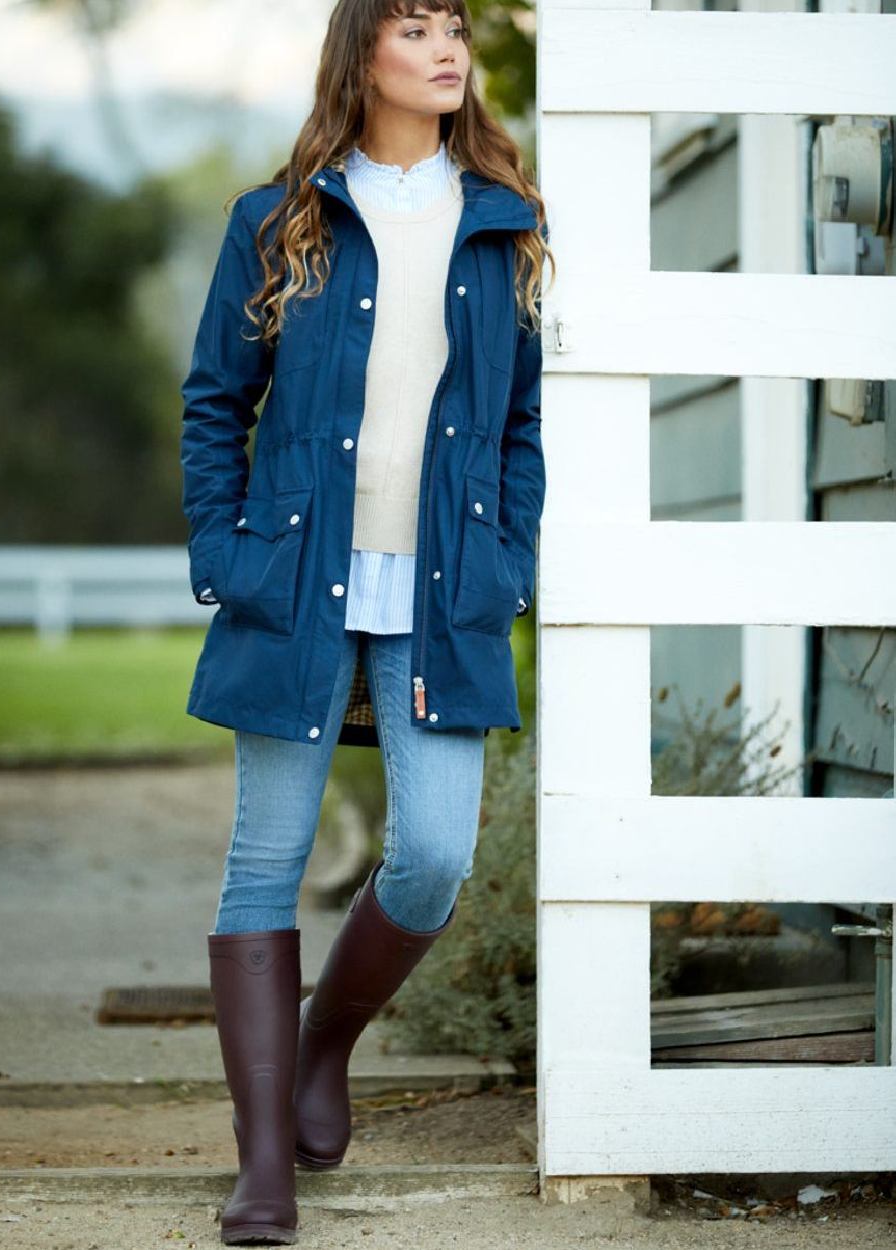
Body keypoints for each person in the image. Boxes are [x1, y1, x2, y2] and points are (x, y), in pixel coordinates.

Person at [179, 1, 554, 1243]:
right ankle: (261, 1166)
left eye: (455, 26)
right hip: (293, 576)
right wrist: (228, 556)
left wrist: (505, 556)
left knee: (436, 854)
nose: (446, 48)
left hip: (444, 581)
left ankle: (322, 1045)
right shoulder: (277, 218)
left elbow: (516, 427)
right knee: (266, 855)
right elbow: (214, 400)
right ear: (363, 58)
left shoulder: (502, 220)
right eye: (414, 28)